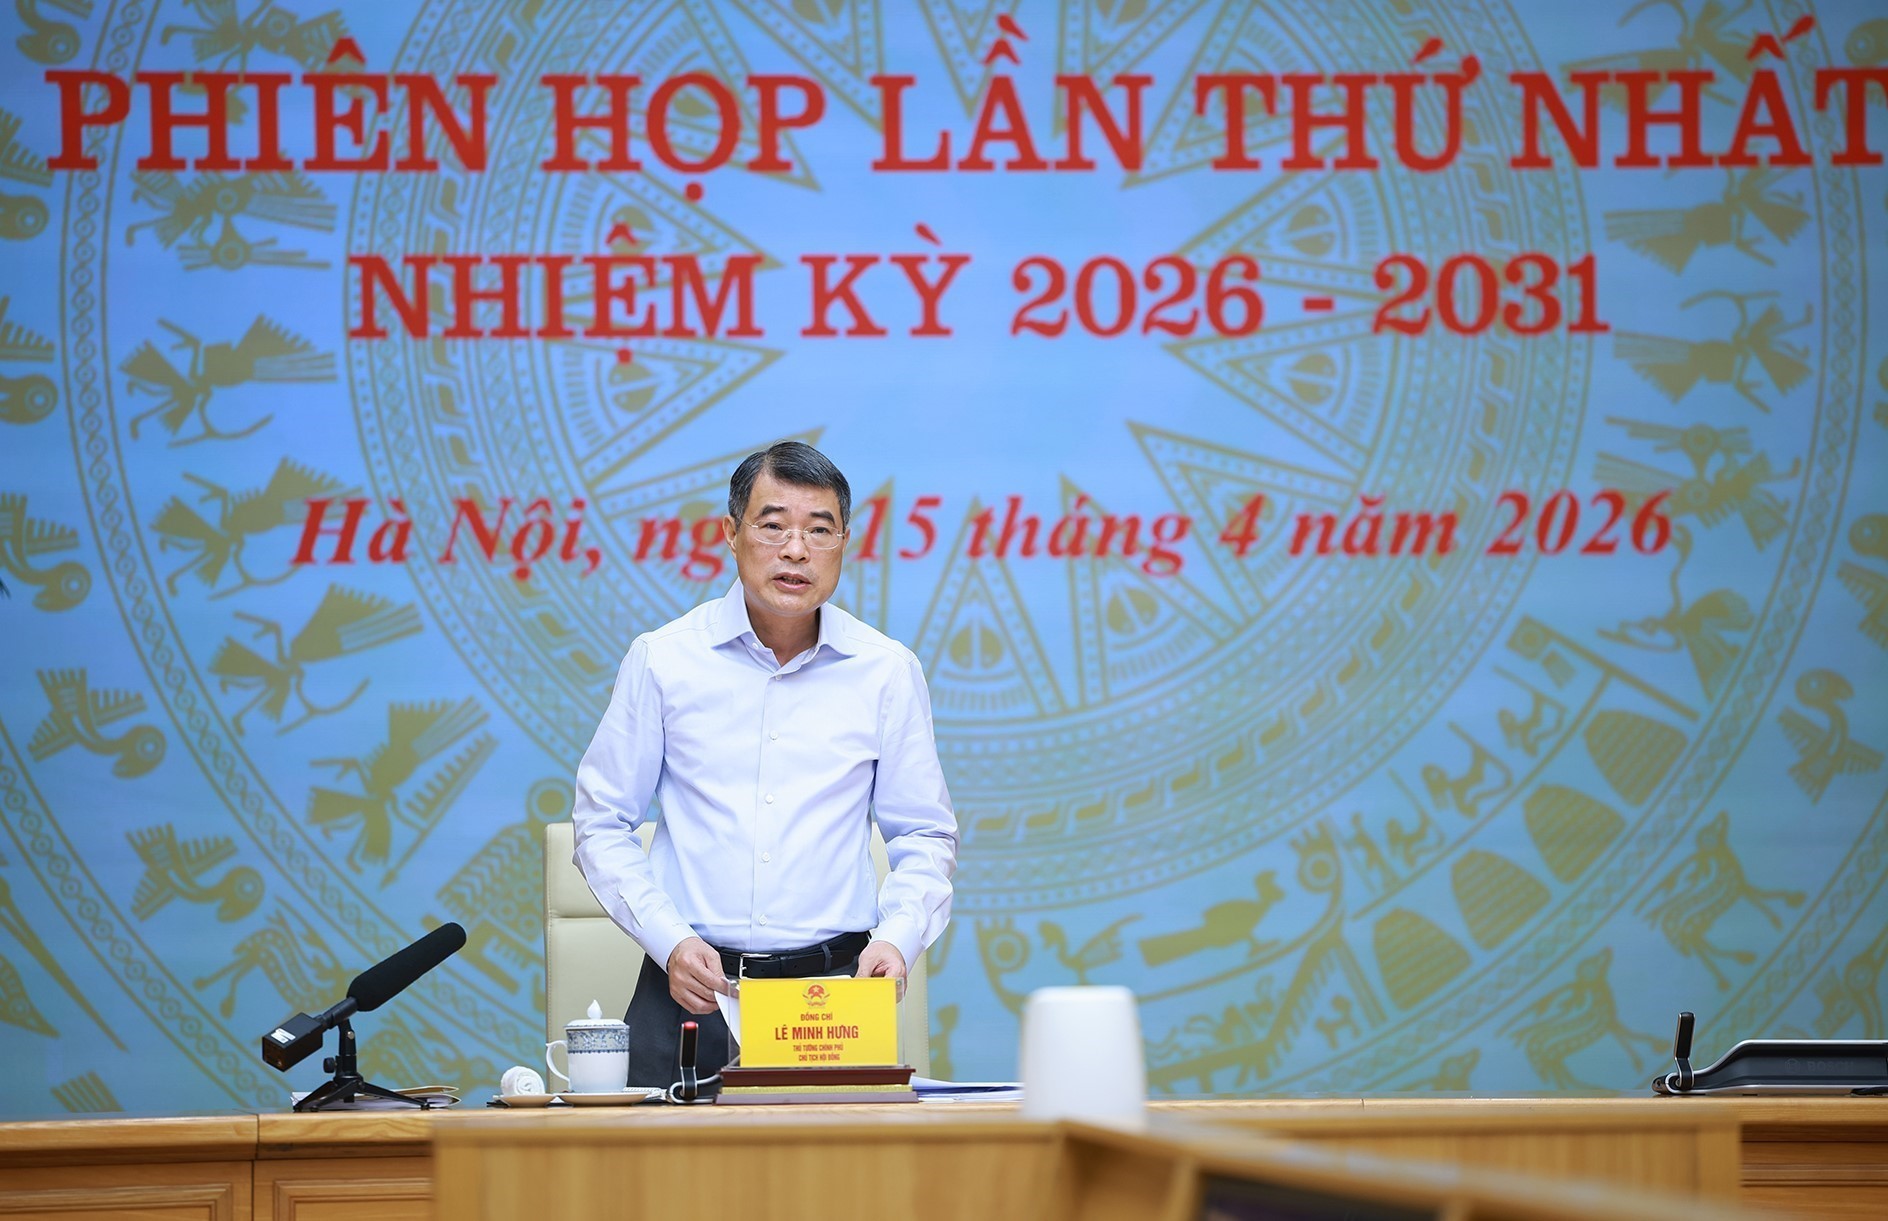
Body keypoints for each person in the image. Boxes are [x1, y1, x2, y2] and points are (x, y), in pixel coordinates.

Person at [571, 441, 958, 1088]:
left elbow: (924, 833)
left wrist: (898, 936)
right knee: (659, 1159)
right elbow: (600, 822)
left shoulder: (886, 671)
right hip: (690, 992)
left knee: (834, 1160)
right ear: (731, 533)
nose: (796, 550)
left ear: (844, 543)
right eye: (773, 525)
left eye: (819, 530)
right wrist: (668, 940)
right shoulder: (664, 660)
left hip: (832, 1001)